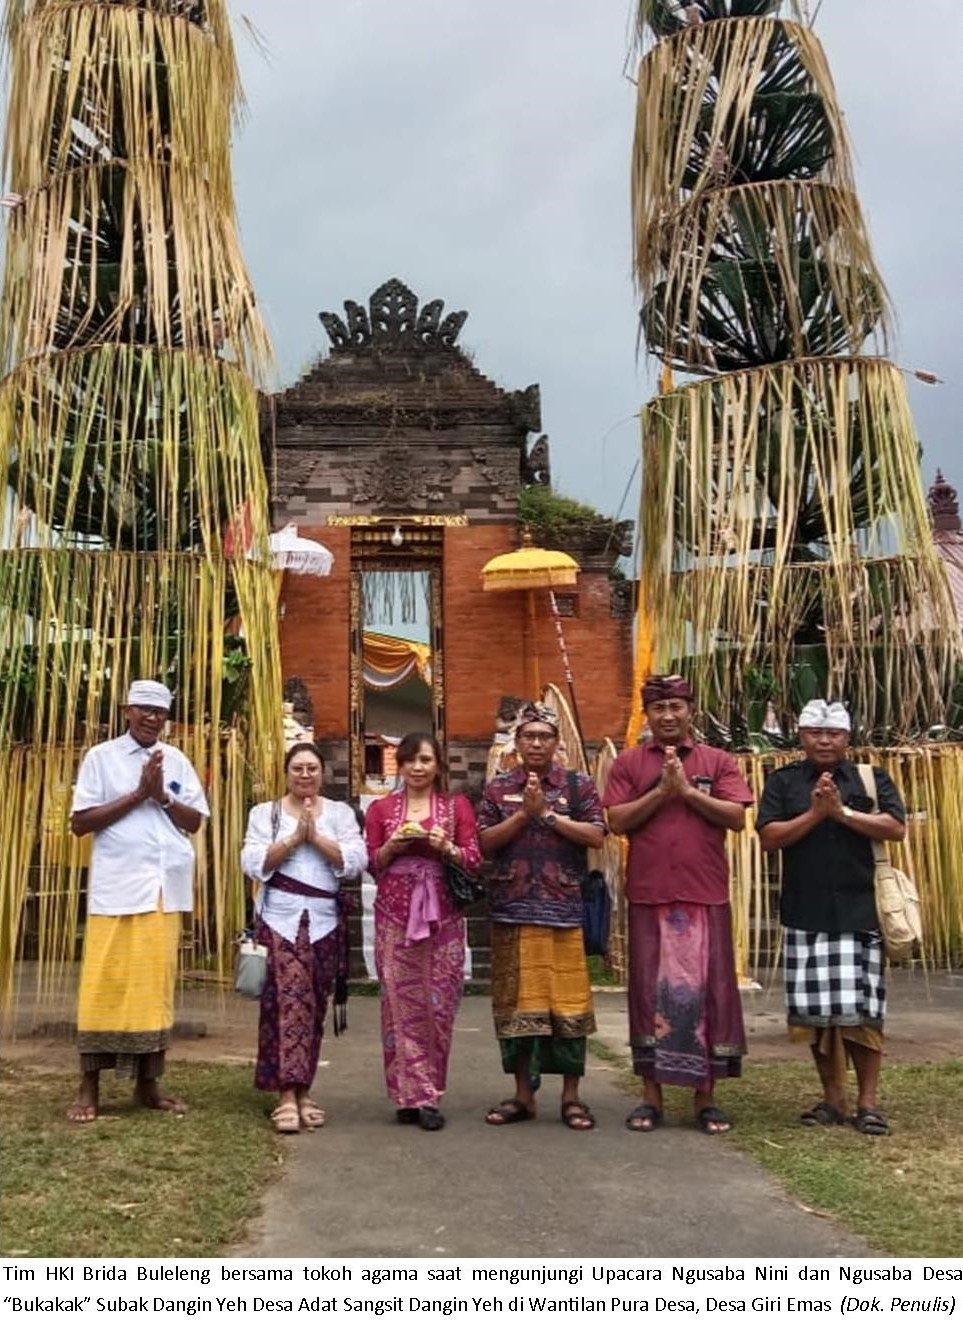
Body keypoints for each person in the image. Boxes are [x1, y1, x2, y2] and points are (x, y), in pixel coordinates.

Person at [603, 675, 752, 1135]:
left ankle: (706, 1098)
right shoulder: (628, 764)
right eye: (659, 708)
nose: (668, 716)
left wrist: (688, 791)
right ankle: (652, 1098)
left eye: (676, 707)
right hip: (650, 895)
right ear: (647, 715)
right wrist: (661, 792)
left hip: (704, 894)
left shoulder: (717, 761)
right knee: (650, 996)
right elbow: (616, 820)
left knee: (710, 995)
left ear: (690, 710)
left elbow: (737, 815)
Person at [756, 700, 906, 1136]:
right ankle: (833, 1099)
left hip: (860, 911)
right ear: (800, 735)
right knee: (816, 1015)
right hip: (806, 911)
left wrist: (843, 813)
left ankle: (869, 1103)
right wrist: (815, 814)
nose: (824, 740)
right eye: (815, 733)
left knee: (864, 1014)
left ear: (847, 738)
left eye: (834, 734)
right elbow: (769, 837)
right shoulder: (783, 782)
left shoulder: (869, 778)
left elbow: (895, 828)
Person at [66, 680, 209, 1123]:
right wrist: (137, 794)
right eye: (144, 709)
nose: (151, 718)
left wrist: (163, 795)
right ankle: (89, 1085)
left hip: (163, 889)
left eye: (160, 712)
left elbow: (195, 821)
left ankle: (148, 1084)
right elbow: (80, 823)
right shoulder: (101, 758)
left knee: (153, 989)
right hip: (116, 888)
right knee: (102, 986)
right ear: (127, 709)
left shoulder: (178, 761)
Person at [477, 701, 605, 1130]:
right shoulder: (498, 788)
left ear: (556, 742)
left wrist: (547, 815)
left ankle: (571, 1097)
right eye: (528, 736)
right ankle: (522, 1095)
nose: (536, 743)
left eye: (544, 736)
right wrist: (522, 815)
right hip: (512, 909)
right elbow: (484, 843)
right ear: (517, 742)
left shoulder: (578, 785)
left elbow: (596, 835)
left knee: (568, 1006)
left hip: (563, 910)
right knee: (516, 1008)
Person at [241, 742, 366, 1133]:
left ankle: (304, 1089)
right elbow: (253, 863)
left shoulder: (341, 813)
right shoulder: (266, 813)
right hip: (280, 919)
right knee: (285, 1002)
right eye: (298, 768)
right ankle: (285, 1096)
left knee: (313, 1006)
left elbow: (355, 861)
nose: (305, 775)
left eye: (312, 768)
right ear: (286, 772)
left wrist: (316, 838)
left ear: (322, 773)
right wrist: (294, 838)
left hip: (325, 921)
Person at [364, 733, 481, 1131]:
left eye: (426, 760)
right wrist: (394, 845)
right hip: (394, 915)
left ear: (438, 766)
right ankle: (406, 1095)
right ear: (400, 764)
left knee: (438, 1004)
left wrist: (445, 846)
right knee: (398, 1003)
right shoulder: (381, 809)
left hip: (442, 915)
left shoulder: (456, 806)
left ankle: (429, 1095)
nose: (417, 767)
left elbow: (473, 858)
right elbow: (372, 863)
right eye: (410, 760)